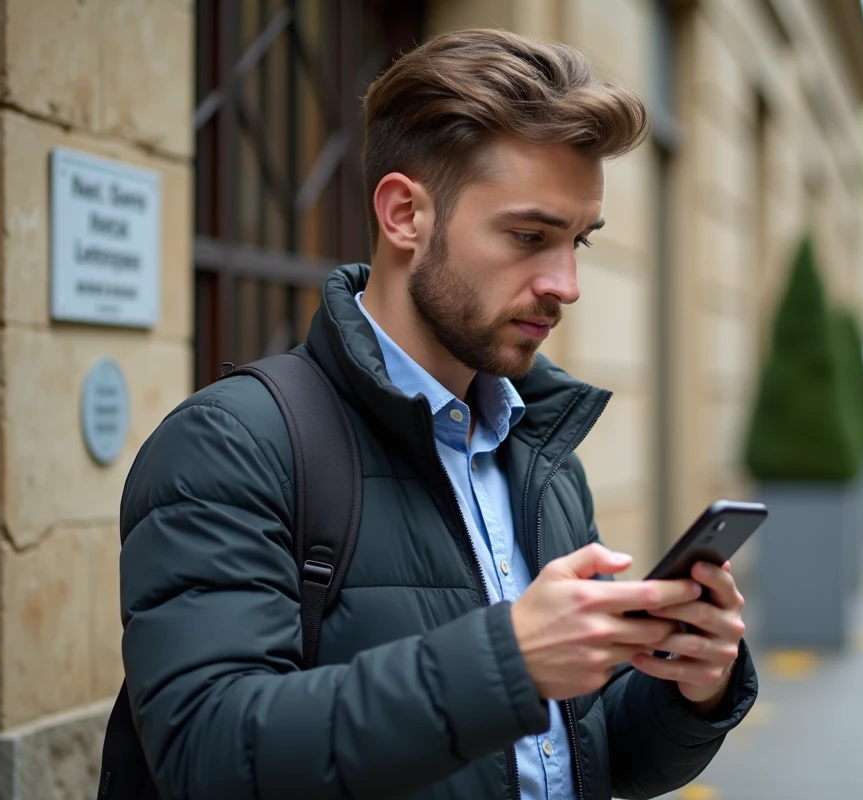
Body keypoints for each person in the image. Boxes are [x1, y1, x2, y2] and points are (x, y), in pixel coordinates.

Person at [116, 28, 757, 800]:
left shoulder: (539, 449)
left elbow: (586, 754)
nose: (565, 284)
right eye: (529, 236)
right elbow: (208, 754)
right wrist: (509, 661)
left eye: (578, 243)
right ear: (403, 214)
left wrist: (692, 688)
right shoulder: (233, 444)